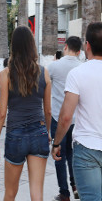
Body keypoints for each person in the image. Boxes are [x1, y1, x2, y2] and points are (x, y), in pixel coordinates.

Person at [0, 26, 51, 201]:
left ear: (14, 46)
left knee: (10, 193)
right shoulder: (43, 72)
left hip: (15, 134)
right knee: (37, 194)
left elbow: (2, 113)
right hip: (39, 132)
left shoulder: (6, 74)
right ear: (32, 45)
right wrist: (46, 132)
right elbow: (48, 110)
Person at [52, 22, 102, 201]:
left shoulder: (78, 73)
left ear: (87, 45)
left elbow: (66, 117)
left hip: (86, 148)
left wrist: (56, 143)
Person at [48, 36, 82, 201]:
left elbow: (47, 88)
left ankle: (64, 193)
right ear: (80, 51)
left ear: (65, 47)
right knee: (71, 154)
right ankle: (75, 185)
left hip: (58, 117)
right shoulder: (82, 66)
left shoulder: (54, 66)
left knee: (59, 154)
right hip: (77, 118)